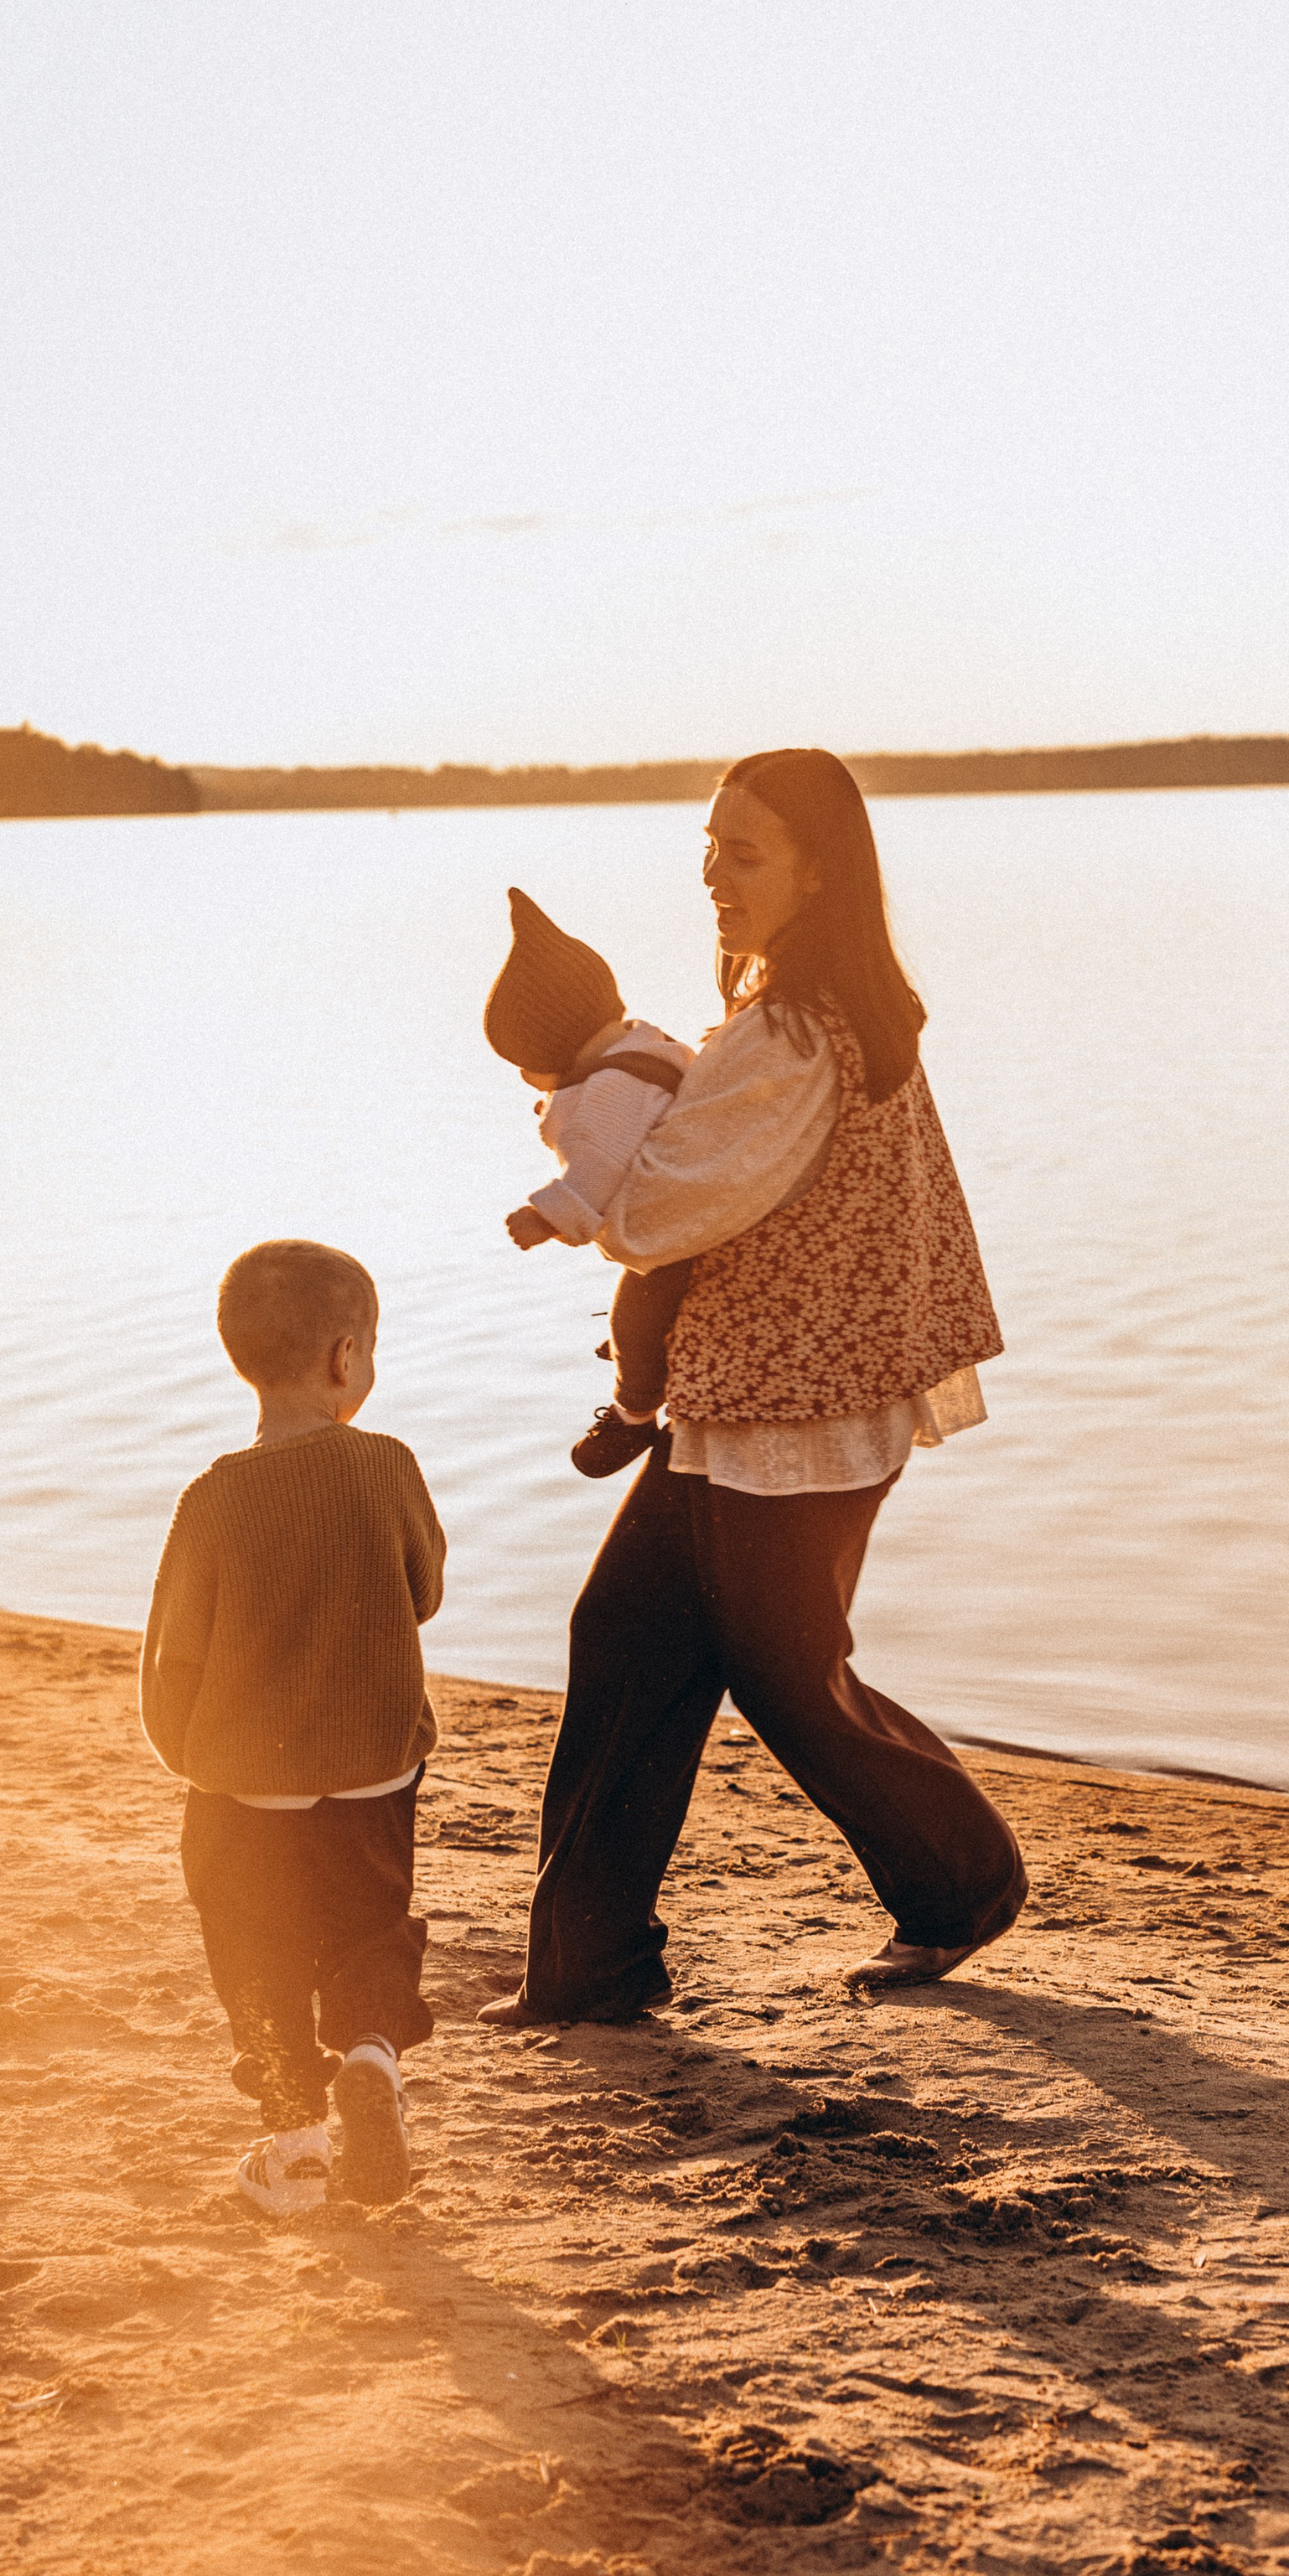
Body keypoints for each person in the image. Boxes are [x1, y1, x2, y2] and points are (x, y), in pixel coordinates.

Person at [480, 747, 1028, 2030]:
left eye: (746, 853)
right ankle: (585, 1972)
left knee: (789, 1674)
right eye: (709, 851)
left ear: (819, 869)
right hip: (756, 1397)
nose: (716, 878)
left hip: (802, 1409)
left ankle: (963, 1885)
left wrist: (596, 1156)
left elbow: (666, 1208)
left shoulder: (788, 1031)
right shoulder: (791, 1007)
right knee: (624, 1639)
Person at [139, 1239, 446, 2216]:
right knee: (370, 1932)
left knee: (256, 1959)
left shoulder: (213, 1497)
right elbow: (425, 1590)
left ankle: (299, 2150)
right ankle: (370, 2056)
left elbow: (171, 1655)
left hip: (241, 1789)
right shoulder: (389, 1466)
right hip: (371, 1777)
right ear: (345, 1358)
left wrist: (188, 1755)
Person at [482, 887, 696, 1477]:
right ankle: (642, 1351)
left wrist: (546, 1218)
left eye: (525, 1065)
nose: (527, 1081)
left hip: (680, 1240)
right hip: (698, 1213)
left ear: (556, 1045)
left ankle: (633, 1414)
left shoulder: (608, 1091)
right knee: (633, 1308)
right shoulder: (641, 1048)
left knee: (633, 1305)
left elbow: (596, 1172)